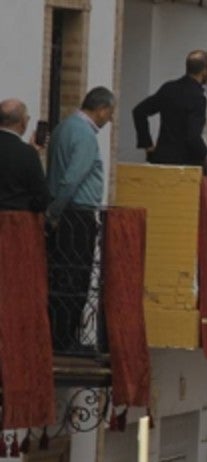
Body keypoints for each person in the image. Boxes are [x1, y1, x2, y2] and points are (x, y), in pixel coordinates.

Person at [45, 86, 114, 353]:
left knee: (61, 277)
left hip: (64, 213)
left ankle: (57, 335)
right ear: (101, 109)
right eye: (109, 113)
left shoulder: (64, 127)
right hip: (76, 216)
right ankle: (65, 339)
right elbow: (72, 177)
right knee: (75, 279)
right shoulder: (85, 135)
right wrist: (55, 213)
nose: (109, 119)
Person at [131, 50, 207, 169]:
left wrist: (147, 145)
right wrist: (205, 155)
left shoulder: (169, 89)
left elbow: (139, 111)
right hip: (186, 164)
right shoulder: (198, 98)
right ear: (204, 70)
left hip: (161, 158)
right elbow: (193, 136)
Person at [0, 98, 50, 212]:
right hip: (15, 223)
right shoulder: (27, 153)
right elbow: (42, 198)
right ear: (23, 122)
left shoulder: (28, 152)